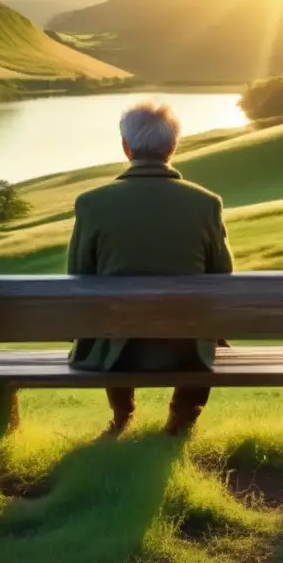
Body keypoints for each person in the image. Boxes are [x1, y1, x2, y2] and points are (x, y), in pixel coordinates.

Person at [66, 101, 234, 438]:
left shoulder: (92, 204)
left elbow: (78, 276)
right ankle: (181, 420)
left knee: (107, 319)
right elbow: (223, 279)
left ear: (126, 148)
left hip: (116, 353)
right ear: (173, 146)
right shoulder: (206, 204)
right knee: (205, 329)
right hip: (188, 353)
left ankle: (122, 414)